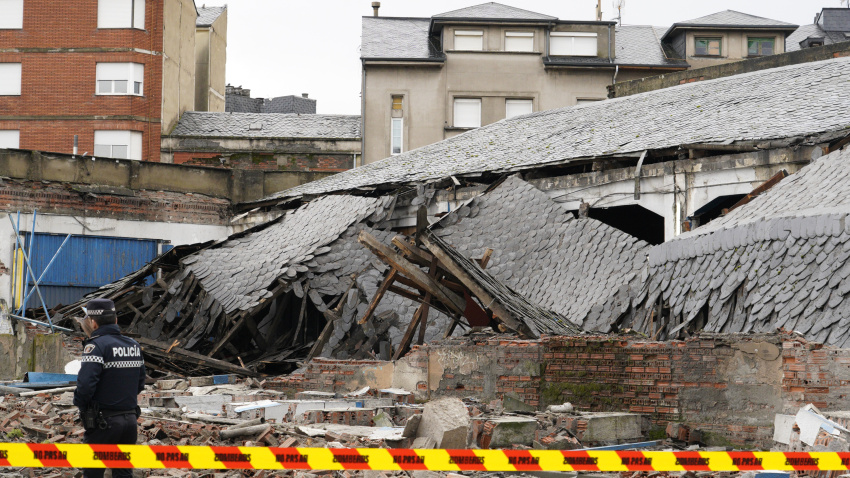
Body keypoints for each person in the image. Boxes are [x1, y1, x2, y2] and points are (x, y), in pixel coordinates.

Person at [73, 298, 146, 478]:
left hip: (103, 423)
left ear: (93, 322)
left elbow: (85, 387)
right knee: (123, 473)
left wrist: (83, 408)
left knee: (93, 473)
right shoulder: (134, 346)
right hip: (130, 421)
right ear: (115, 320)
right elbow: (140, 383)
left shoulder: (95, 346)